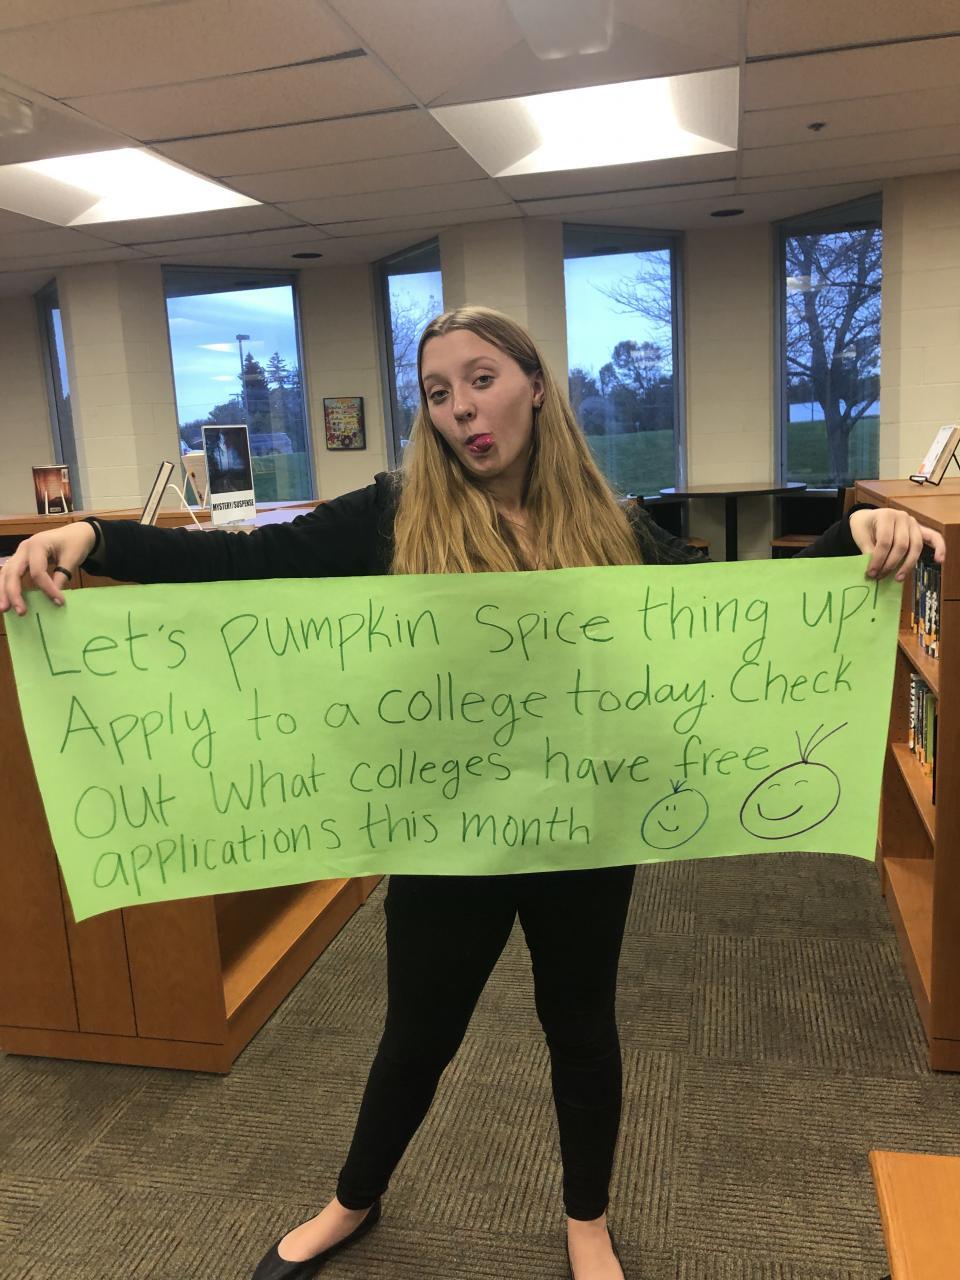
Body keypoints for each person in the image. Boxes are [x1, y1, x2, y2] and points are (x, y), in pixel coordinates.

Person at [0, 306, 946, 1280]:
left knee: (580, 1027)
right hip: (448, 831)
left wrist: (853, 532)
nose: (461, 407)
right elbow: (238, 564)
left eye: (482, 378)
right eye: (439, 392)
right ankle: (351, 1200)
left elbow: (732, 616)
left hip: (584, 827)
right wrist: (92, 536)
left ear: (534, 384)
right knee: (419, 1031)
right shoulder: (394, 514)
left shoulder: (610, 524)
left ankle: (587, 1221)